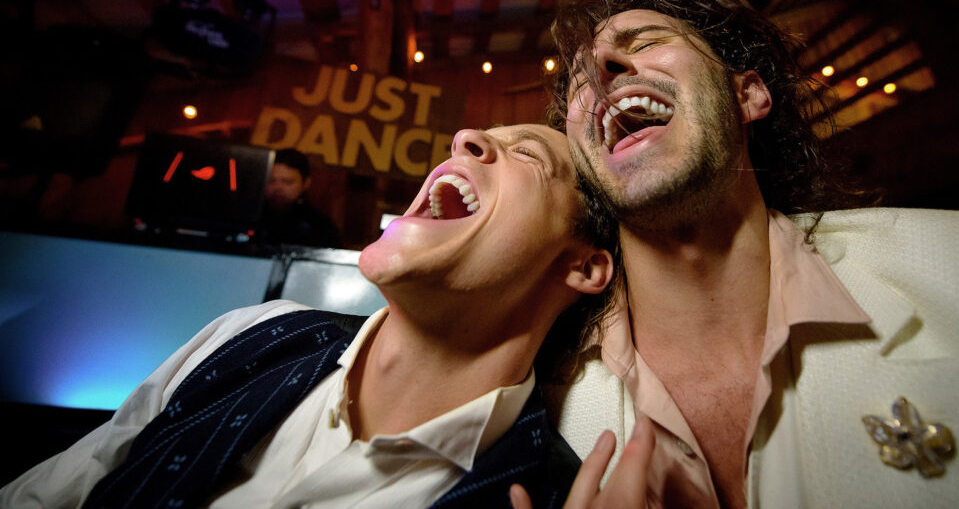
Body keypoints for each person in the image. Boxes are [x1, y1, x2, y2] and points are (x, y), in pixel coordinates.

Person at [545, 0, 959, 508]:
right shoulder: (539, 401)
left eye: (644, 42)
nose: (602, 65)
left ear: (748, 94)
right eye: (577, 82)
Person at [1, 124, 616, 508]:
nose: (465, 141)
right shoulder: (249, 334)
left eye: (529, 156)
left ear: (583, 268)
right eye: (475, 138)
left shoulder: (548, 496)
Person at [259, 148, 341, 247]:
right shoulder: (250, 217)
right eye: (271, 180)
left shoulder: (320, 227)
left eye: (287, 182)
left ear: (306, 183)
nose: (278, 187)